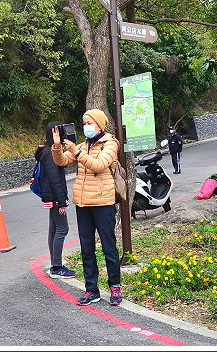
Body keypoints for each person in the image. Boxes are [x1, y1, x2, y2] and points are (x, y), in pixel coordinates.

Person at [52, 108, 123, 306]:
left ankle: (115, 286)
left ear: (100, 125)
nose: (86, 127)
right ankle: (91, 289)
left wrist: (77, 152)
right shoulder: (83, 145)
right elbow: (62, 161)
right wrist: (57, 147)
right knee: (87, 248)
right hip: (83, 204)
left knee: (109, 247)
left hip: (103, 202)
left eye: (89, 123)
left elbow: (99, 165)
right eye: (84, 123)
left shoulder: (110, 144)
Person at [35, 121, 75, 279]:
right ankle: (57, 267)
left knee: (54, 229)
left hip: (49, 196)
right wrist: (61, 202)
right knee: (62, 229)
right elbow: (55, 179)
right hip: (54, 197)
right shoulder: (51, 153)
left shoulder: (43, 150)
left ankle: (54, 263)